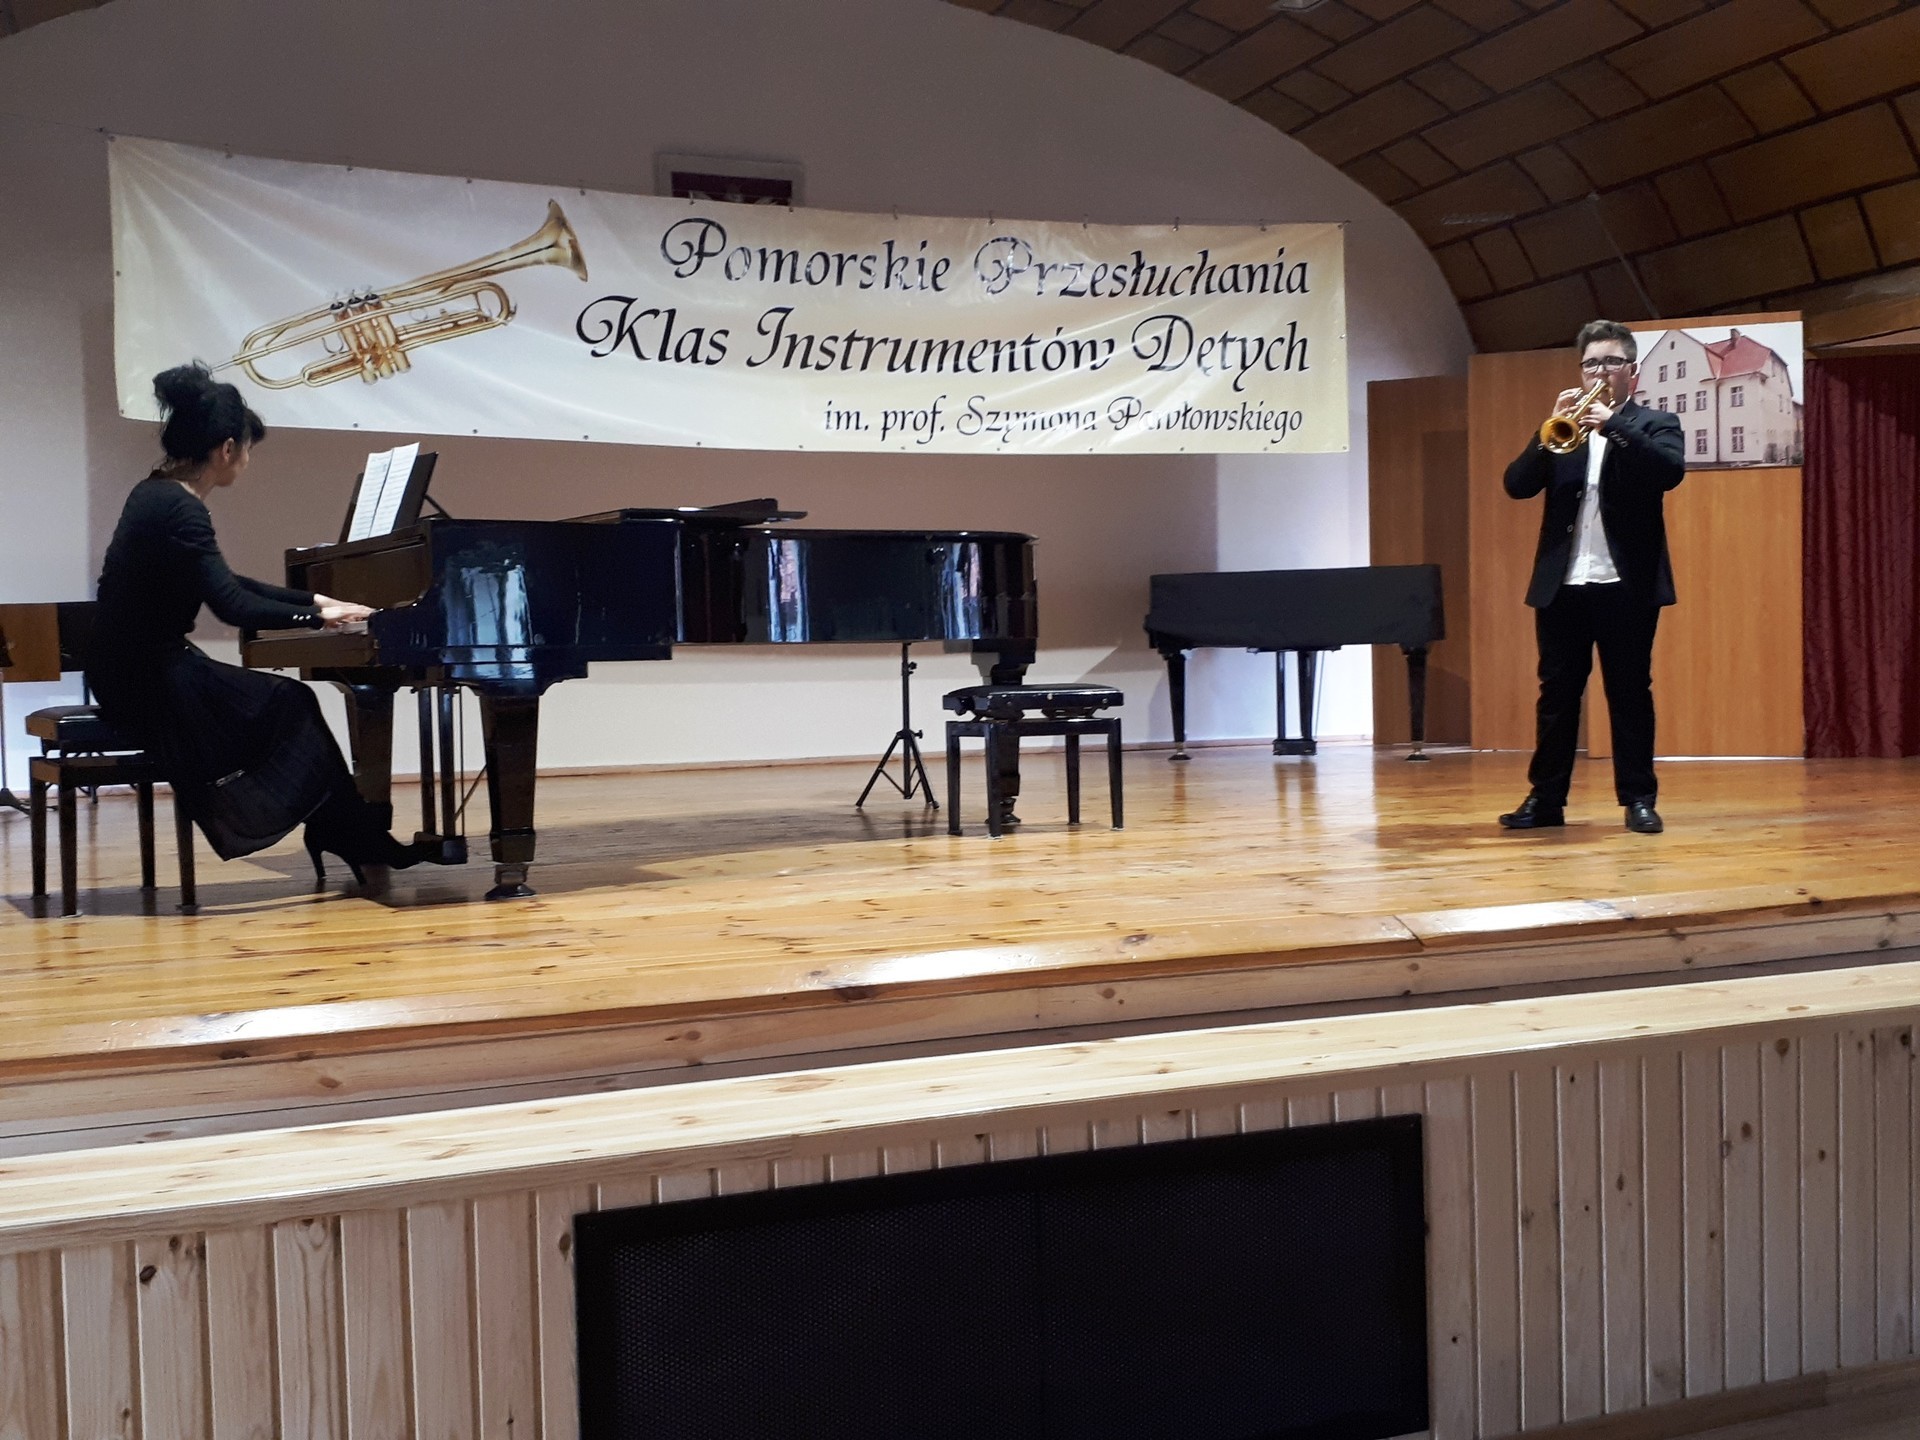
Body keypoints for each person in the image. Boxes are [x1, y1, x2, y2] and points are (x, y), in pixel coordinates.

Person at [88, 363, 438, 885]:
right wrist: (317, 617)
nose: (248, 461)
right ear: (227, 448)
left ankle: (344, 829)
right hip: (146, 678)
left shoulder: (156, 492)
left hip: (130, 667)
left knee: (287, 703)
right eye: (247, 449)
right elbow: (232, 605)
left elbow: (226, 582)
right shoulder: (180, 508)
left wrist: (316, 599)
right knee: (290, 702)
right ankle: (347, 832)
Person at [1498, 319, 1686, 835]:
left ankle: (1639, 800)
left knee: (1630, 693)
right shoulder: (1565, 430)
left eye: (1610, 362)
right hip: (1563, 586)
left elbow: (1669, 472)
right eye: (1590, 364)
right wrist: (1547, 431)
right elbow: (1517, 485)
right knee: (1556, 695)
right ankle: (1546, 799)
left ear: (1632, 371)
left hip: (1627, 586)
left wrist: (1614, 425)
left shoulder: (1654, 424)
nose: (1599, 372)